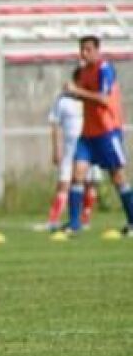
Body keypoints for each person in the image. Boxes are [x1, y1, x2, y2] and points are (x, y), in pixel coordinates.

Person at [63, 35, 133, 236]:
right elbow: (85, 96)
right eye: (82, 50)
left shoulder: (105, 69)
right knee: (77, 175)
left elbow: (103, 99)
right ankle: (74, 224)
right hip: (88, 134)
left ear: (97, 50)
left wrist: (77, 91)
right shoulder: (84, 71)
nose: (84, 54)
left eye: (88, 49)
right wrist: (72, 93)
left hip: (107, 131)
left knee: (118, 177)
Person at [43, 89, 98, 231]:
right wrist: (56, 149)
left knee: (90, 183)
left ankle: (84, 219)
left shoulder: (91, 99)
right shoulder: (62, 101)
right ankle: (53, 220)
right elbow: (54, 124)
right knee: (64, 184)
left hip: (88, 146)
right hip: (69, 150)